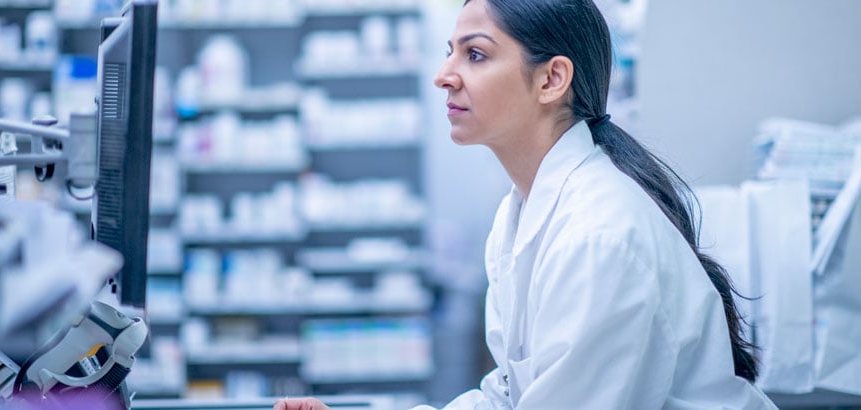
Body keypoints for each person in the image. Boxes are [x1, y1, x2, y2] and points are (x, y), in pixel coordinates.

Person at [276, 0, 778, 408]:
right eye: (450, 52)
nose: (444, 75)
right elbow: (511, 395)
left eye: (474, 55)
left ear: (551, 79)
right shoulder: (522, 214)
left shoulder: (599, 233)